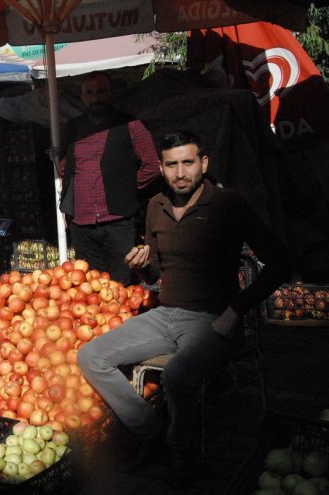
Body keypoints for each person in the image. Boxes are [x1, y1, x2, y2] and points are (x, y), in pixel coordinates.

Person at [77, 130, 293, 489]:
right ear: (161, 168)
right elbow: (159, 272)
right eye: (172, 164)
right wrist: (141, 266)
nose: (180, 173)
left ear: (203, 164)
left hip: (213, 320)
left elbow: (282, 263)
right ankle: (153, 433)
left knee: (177, 376)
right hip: (165, 314)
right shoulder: (155, 207)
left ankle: (183, 454)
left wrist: (235, 311)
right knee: (90, 355)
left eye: (188, 163)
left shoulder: (228, 204)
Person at [59, 71, 161, 285]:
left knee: (121, 285)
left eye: (101, 91)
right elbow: (64, 166)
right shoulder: (73, 127)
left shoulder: (131, 124)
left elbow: (152, 166)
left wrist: (125, 188)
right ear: (82, 96)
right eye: (90, 92)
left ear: (111, 93)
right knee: (88, 287)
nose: (96, 97)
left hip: (118, 221)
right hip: (82, 223)